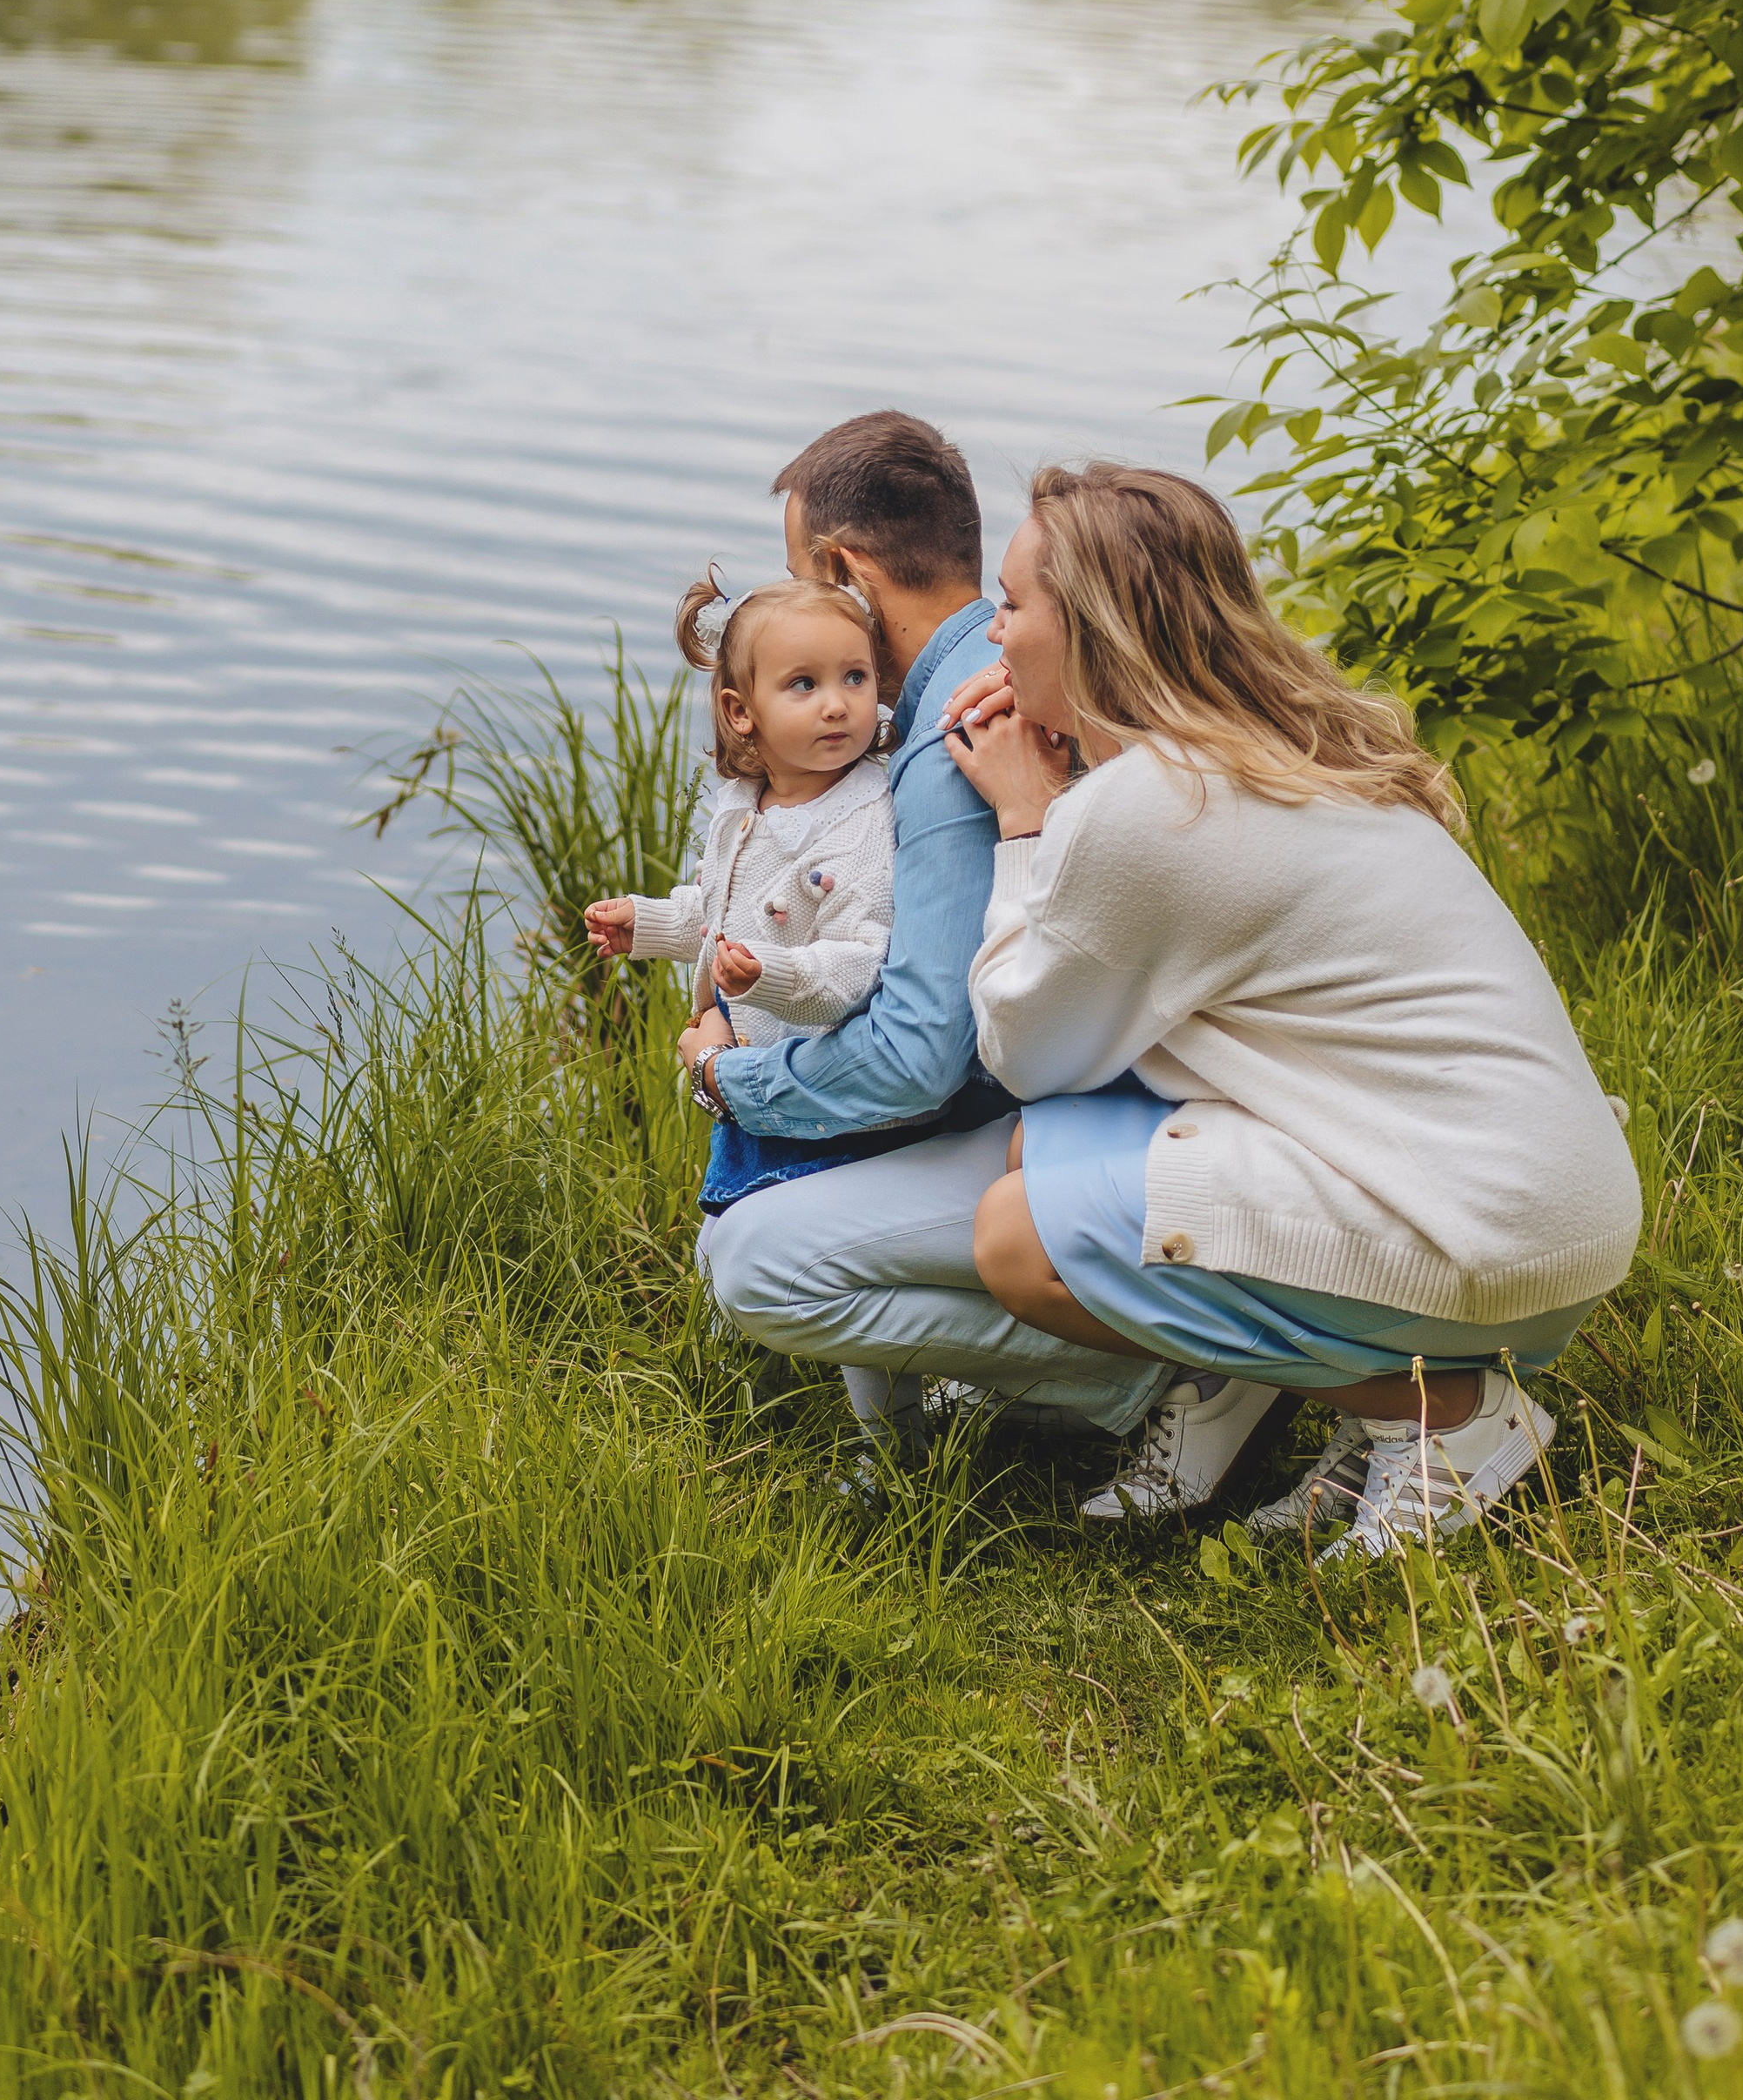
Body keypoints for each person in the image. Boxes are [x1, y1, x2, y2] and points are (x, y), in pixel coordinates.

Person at [942, 464, 1643, 1559]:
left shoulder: (1146, 809)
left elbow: (1024, 1047)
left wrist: (1026, 824)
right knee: (1055, 1147)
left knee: (1019, 1240)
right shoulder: (1281, 751)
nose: (993, 634)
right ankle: (1309, 1391)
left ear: (1089, 628)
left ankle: (1444, 1417)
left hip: (1482, 1250)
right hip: (1556, 1218)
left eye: (1012, 603)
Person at [698, 414, 1170, 1457]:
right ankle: (1014, 1372)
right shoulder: (981, 688)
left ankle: (1127, 1372)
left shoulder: (950, 734)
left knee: (746, 1262)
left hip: (1092, 1117)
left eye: (800, 576)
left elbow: (919, 1055)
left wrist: (729, 1082)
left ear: (843, 571)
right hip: (1100, 1091)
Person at [584, 567, 895, 1220]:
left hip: (814, 1094)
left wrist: (767, 976)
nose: (836, 704)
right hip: (753, 1064)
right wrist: (648, 924)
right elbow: (723, 906)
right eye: (804, 684)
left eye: (855, 677)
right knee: (729, 1218)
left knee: (776, 1221)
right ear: (740, 711)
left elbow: (861, 963)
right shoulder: (747, 806)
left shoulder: (864, 824)